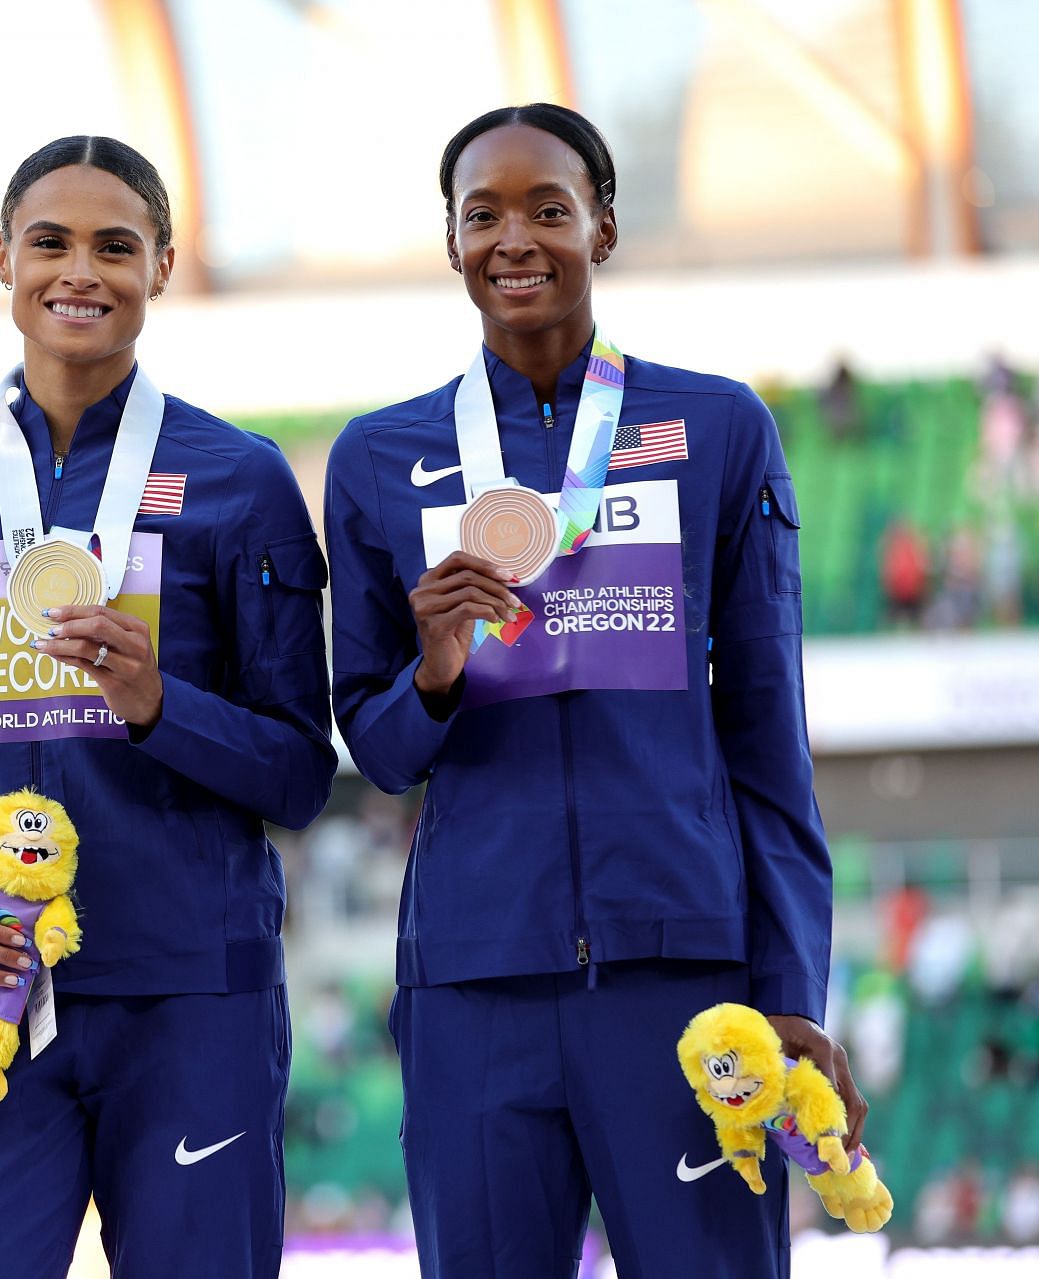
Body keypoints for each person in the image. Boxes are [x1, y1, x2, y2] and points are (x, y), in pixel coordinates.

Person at [324, 104, 866, 1277]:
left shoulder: (717, 427)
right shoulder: (380, 454)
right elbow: (378, 746)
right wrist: (434, 670)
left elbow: (770, 739)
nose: (514, 239)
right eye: (483, 215)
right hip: (475, 984)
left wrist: (792, 992)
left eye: (548, 210)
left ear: (603, 230)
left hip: (684, 987)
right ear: (453, 242)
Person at [0, 136, 335, 1279]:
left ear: (161, 265)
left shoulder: (239, 478)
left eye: (117, 245)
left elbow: (299, 772)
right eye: (51, 242)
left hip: (190, 1002)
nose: (83, 270)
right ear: (4, 260)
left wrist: (160, 704)